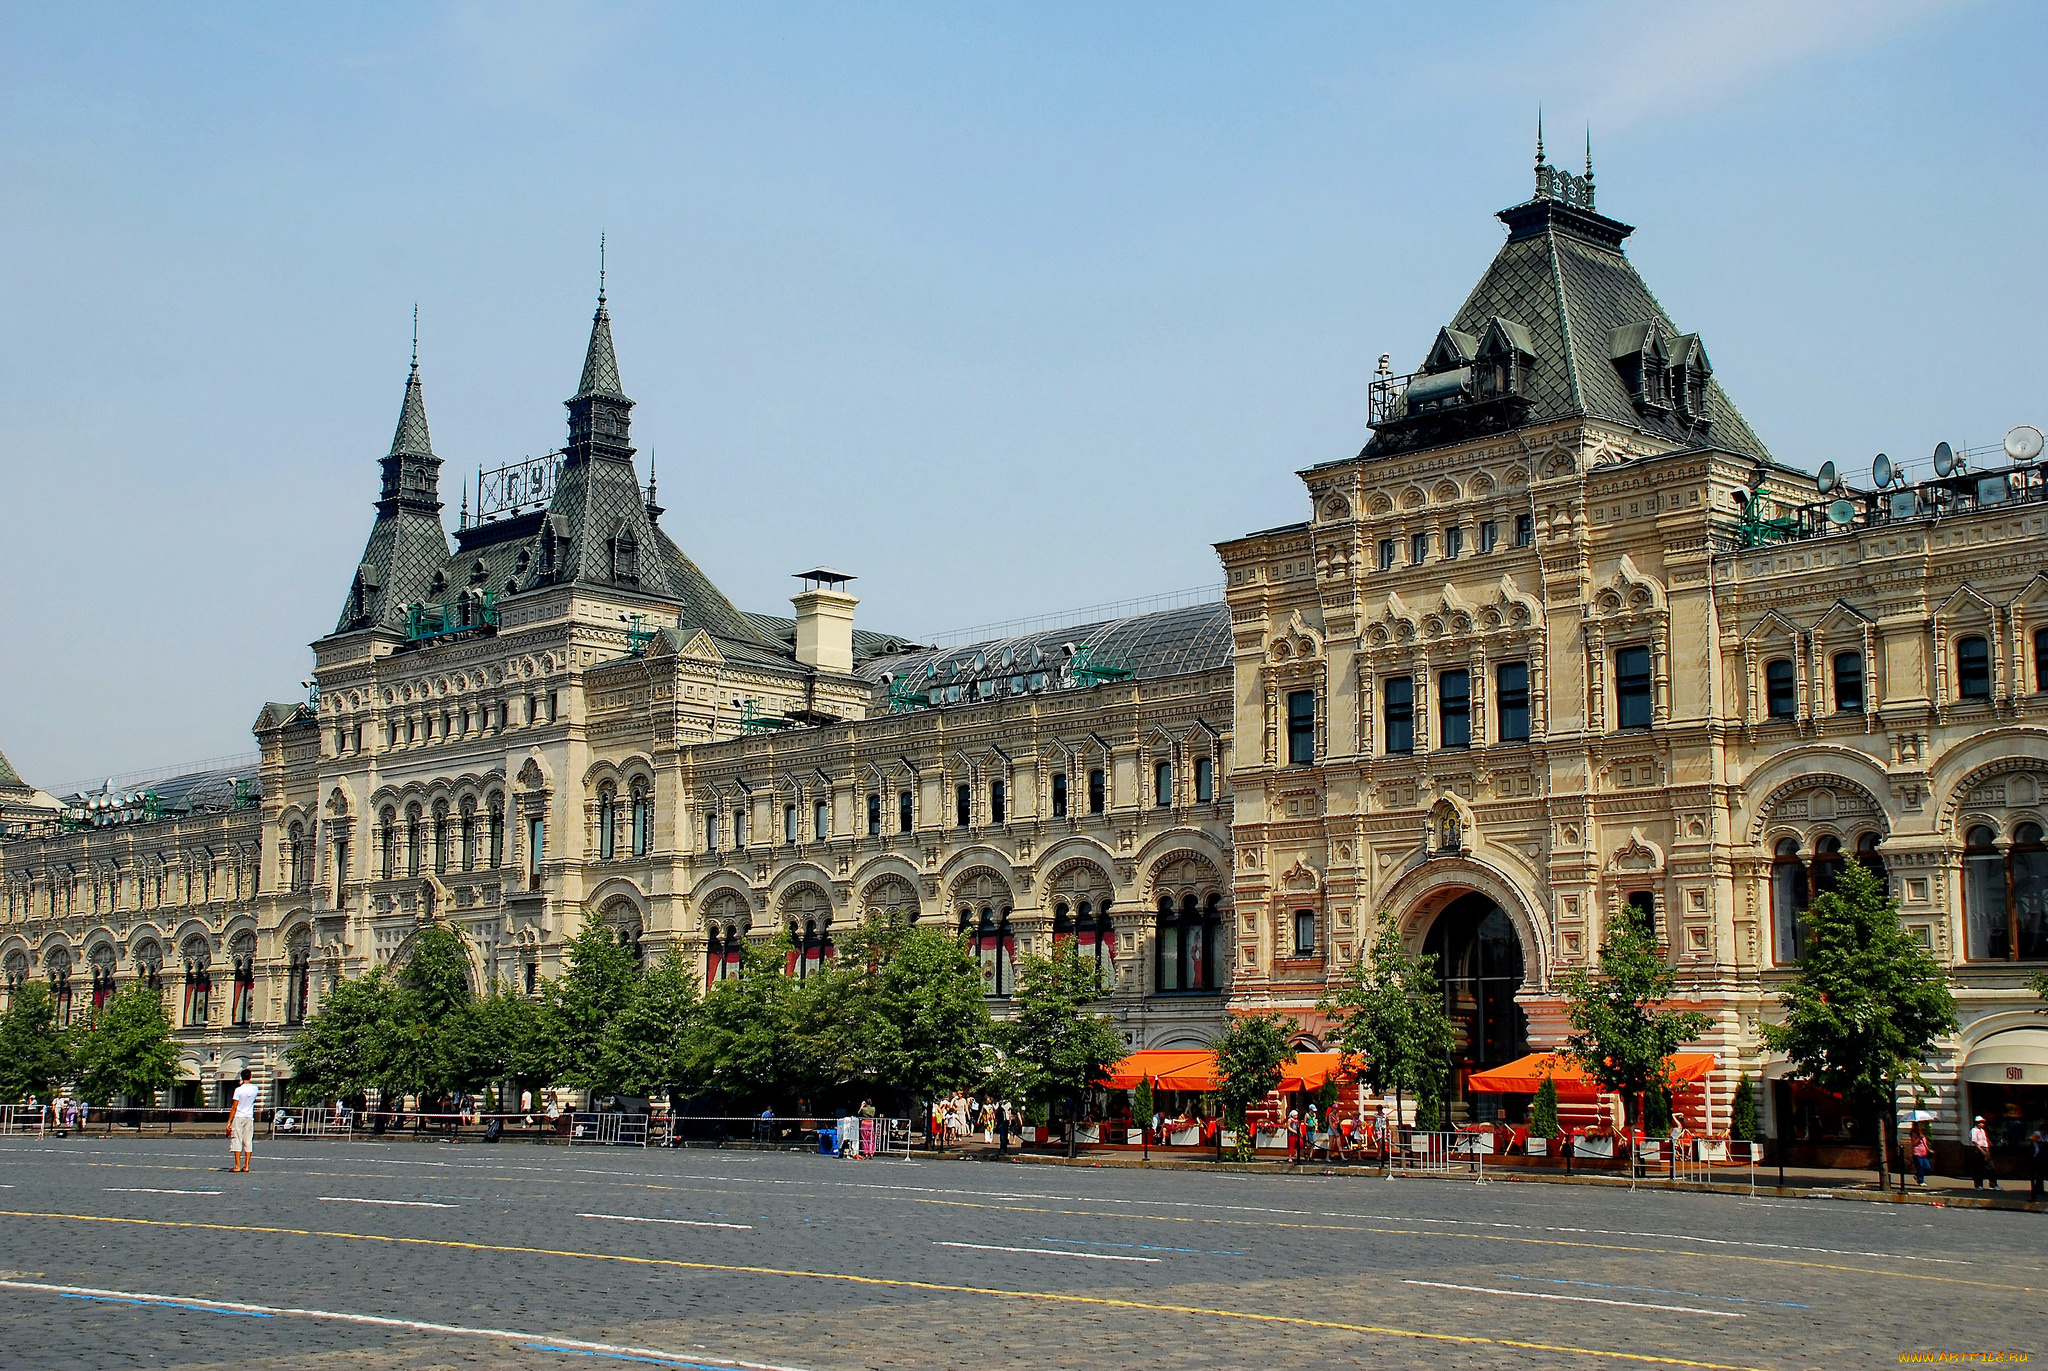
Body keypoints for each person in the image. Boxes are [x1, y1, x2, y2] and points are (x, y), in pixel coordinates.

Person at [227, 1069, 259, 1173]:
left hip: (239, 1116)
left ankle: (237, 1165)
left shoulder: (238, 1090)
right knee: (248, 1140)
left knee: (237, 1139)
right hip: (249, 1116)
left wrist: (229, 1121)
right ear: (250, 1076)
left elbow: (234, 1106)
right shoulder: (255, 1089)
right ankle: (246, 1166)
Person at [1970, 1115, 2000, 1191]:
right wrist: (1982, 1151)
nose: (1982, 1124)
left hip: (1985, 1149)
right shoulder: (1974, 1130)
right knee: (1978, 1168)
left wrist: (1988, 1149)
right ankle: (1978, 1185)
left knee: (1990, 1168)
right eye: (1981, 1122)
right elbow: (1975, 1142)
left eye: (1983, 1122)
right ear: (1977, 1123)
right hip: (1978, 1151)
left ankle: (1993, 1184)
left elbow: (1985, 1140)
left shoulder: (1982, 1131)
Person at [2028, 1123, 2048, 1201]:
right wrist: (2038, 1139)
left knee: (2042, 1173)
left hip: (2045, 1155)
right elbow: (2031, 1138)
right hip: (2038, 1155)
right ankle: (2038, 1190)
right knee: (2039, 1173)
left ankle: (2039, 1189)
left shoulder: (2046, 1135)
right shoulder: (2037, 1134)